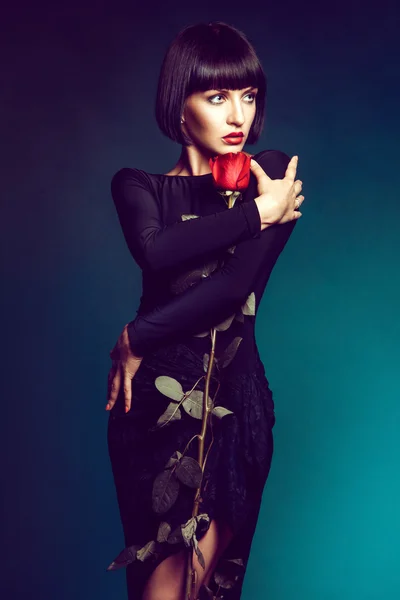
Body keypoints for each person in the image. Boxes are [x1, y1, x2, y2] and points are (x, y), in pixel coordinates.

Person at [105, 21, 304, 600]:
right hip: (148, 414)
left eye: (247, 96)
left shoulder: (267, 171)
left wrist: (136, 335)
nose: (237, 114)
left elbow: (232, 287)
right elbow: (157, 249)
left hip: (229, 406)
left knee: (190, 591)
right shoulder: (136, 185)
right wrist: (259, 215)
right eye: (217, 97)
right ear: (179, 102)